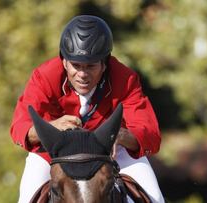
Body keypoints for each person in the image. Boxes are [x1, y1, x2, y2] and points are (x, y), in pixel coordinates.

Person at [10, 15, 164, 203]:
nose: (82, 74)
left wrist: (121, 135)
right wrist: (51, 127)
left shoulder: (125, 79)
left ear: (104, 64)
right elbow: (20, 127)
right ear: (64, 62)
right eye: (76, 65)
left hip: (112, 152)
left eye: (90, 66)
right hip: (53, 154)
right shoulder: (44, 76)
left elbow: (150, 135)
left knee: (155, 198)